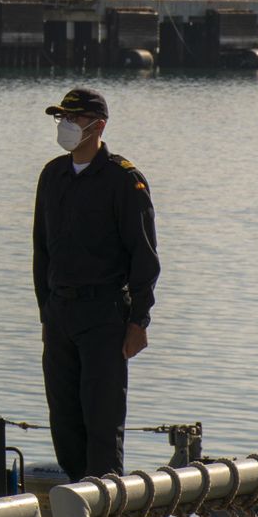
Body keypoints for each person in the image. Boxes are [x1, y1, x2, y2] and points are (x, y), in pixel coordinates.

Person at [35, 87, 160, 483]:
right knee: (64, 421)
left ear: (98, 125)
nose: (66, 126)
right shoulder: (53, 175)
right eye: (62, 119)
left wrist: (139, 320)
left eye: (74, 119)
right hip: (60, 314)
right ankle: (76, 512)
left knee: (101, 423)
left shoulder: (123, 179)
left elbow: (144, 256)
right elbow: (42, 251)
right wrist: (46, 312)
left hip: (104, 313)